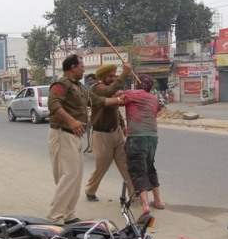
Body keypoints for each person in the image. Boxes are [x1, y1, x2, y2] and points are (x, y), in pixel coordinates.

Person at [47, 54, 124, 224]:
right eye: (81, 66)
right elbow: (53, 105)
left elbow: (98, 101)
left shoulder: (80, 88)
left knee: (76, 176)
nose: (83, 69)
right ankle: (55, 216)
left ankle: (68, 214)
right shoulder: (60, 84)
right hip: (62, 133)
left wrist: (119, 100)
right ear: (73, 67)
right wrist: (71, 120)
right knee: (69, 175)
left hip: (75, 136)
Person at [84, 63, 133, 202]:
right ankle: (90, 191)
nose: (113, 78)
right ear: (103, 77)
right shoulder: (97, 88)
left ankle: (134, 194)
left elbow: (115, 110)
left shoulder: (110, 90)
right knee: (102, 166)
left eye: (114, 75)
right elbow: (108, 91)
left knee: (125, 165)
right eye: (110, 76)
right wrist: (125, 73)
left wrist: (123, 126)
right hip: (101, 134)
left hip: (116, 132)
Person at [123, 74, 164, 216]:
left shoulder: (131, 94)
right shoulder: (154, 98)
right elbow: (157, 110)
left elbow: (115, 96)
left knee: (137, 169)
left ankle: (145, 205)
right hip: (152, 137)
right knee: (150, 166)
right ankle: (158, 201)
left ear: (138, 83)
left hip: (136, 137)